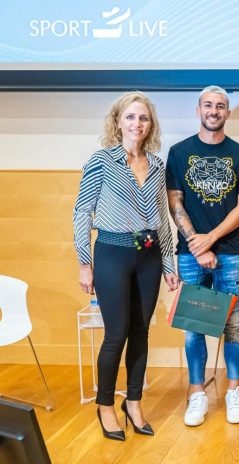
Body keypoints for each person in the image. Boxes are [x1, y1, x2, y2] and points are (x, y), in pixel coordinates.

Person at [73, 91, 178, 441]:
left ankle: (133, 402)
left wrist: (168, 262)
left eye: (143, 118)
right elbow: (81, 213)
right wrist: (85, 263)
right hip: (111, 255)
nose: (137, 124)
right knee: (116, 334)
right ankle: (105, 405)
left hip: (148, 257)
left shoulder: (159, 165)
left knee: (141, 333)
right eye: (131, 117)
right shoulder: (102, 160)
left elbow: (162, 220)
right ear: (118, 121)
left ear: (151, 125)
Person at [166, 86, 239, 426]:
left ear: (227, 113)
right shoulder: (178, 152)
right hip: (189, 254)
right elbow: (175, 202)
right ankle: (198, 394)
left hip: (230, 251)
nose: (214, 111)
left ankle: (234, 392)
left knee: (233, 326)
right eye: (208, 105)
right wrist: (195, 243)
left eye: (220, 106)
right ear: (198, 109)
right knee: (193, 326)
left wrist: (211, 240)